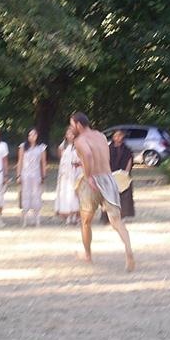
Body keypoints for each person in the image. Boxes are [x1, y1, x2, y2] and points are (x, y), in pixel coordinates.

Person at [70, 112, 134, 271]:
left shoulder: (80, 140)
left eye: (72, 124)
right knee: (117, 221)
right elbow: (102, 156)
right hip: (108, 178)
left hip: (92, 181)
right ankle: (129, 252)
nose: (71, 128)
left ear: (78, 124)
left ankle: (88, 255)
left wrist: (89, 176)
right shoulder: (100, 136)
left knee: (86, 221)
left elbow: (88, 154)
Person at [101, 129, 135, 224]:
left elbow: (129, 161)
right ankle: (108, 217)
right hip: (110, 174)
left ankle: (122, 215)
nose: (118, 137)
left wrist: (126, 173)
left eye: (120, 135)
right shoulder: (108, 148)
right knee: (109, 197)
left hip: (122, 175)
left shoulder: (127, 149)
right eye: (116, 135)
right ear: (113, 136)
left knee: (124, 196)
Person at [17, 128, 47, 227]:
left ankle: (37, 218)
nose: (32, 137)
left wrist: (43, 175)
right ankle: (25, 219)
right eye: (30, 135)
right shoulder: (23, 147)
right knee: (25, 194)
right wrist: (18, 175)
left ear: (37, 136)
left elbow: (43, 162)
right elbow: (20, 161)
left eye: (34, 135)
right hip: (25, 174)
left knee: (36, 195)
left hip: (36, 174)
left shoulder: (41, 147)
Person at [54, 127, 81, 225]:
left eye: (72, 134)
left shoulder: (78, 146)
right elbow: (62, 160)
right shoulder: (63, 146)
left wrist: (78, 163)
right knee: (66, 193)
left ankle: (75, 215)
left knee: (74, 194)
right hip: (65, 174)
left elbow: (82, 159)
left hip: (75, 172)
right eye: (68, 134)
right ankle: (68, 215)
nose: (70, 136)